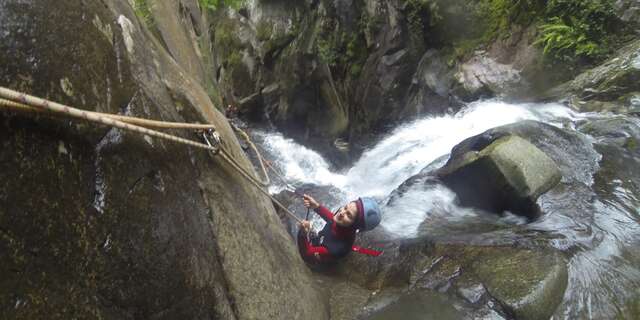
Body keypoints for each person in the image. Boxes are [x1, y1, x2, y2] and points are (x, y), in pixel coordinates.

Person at [297, 194, 382, 266]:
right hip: (323, 242)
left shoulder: (336, 247)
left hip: (319, 256)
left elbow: (306, 254)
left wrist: (302, 234)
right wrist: (316, 206)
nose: (341, 212)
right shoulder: (344, 225)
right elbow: (331, 219)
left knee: (315, 256)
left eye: (349, 215)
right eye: (345, 207)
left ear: (354, 225)